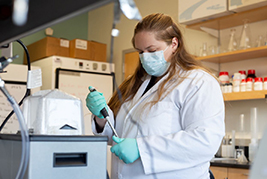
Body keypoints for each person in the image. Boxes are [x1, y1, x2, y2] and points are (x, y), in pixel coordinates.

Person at [86, 13, 225, 179]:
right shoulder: (134, 84)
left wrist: (141, 148)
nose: (145, 57)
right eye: (140, 52)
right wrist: (101, 116)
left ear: (174, 44)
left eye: (152, 50)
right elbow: (118, 139)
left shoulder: (198, 82)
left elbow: (204, 142)